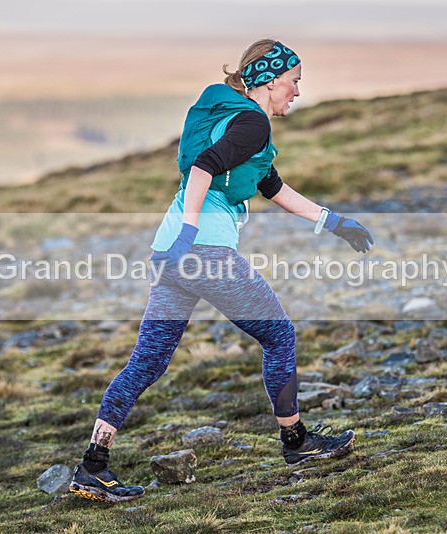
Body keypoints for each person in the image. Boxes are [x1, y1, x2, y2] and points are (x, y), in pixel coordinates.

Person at [69, 38, 374, 503]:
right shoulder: (251, 122)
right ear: (270, 81)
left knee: (147, 361)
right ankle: (297, 443)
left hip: (168, 253)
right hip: (204, 252)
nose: (296, 92)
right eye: (293, 83)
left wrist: (333, 222)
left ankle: (93, 465)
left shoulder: (236, 120)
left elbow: (271, 184)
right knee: (279, 335)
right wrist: (192, 234)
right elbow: (203, 168)